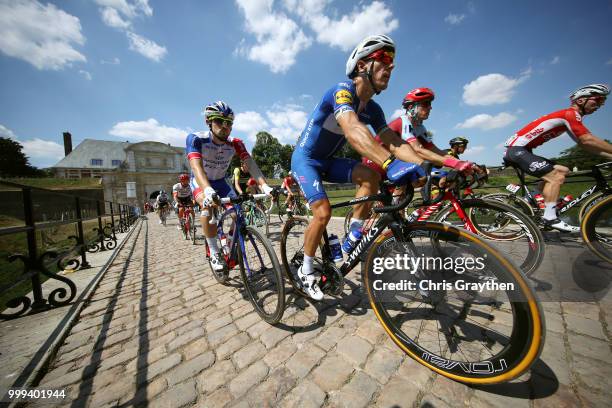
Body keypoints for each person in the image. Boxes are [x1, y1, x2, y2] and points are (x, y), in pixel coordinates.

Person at [291, 34, 425, 300]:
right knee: (323, 213)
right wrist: (389, 162)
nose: (391, 67)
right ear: (363, 65)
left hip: (329, 161)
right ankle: (306, 270)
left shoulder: (373, 109)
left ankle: (354, 235)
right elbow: (352, 128)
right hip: (306, 159)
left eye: (393, 62)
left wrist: (424, 166)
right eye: (384, 59)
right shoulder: (341, 90)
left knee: (370, 177)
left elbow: (393, 141)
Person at [503, 83, 612, 232]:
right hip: (517, 150)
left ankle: (535, 199)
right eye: (598, 100)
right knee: (555, 177)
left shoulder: (571, 116)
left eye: (602, 102)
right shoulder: (570, 114)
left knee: (563, 170)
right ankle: (550, 218)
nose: (600, 105)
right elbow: (588, 140)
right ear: (581, 100)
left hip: (523, 150)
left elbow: (585, 144)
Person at [187, 101, 273, 272]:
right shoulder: (196, 138)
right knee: (207, 206)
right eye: (219, 121)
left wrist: (265, 187)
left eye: (229, 123)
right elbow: (196, 167)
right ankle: (213, 251)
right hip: (201, 180)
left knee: (238, 213)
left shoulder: (236, 142)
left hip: (220, 182)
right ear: (208, 122)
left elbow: (251, 164)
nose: (225, 126)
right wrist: (207, 190)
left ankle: (230, 240)